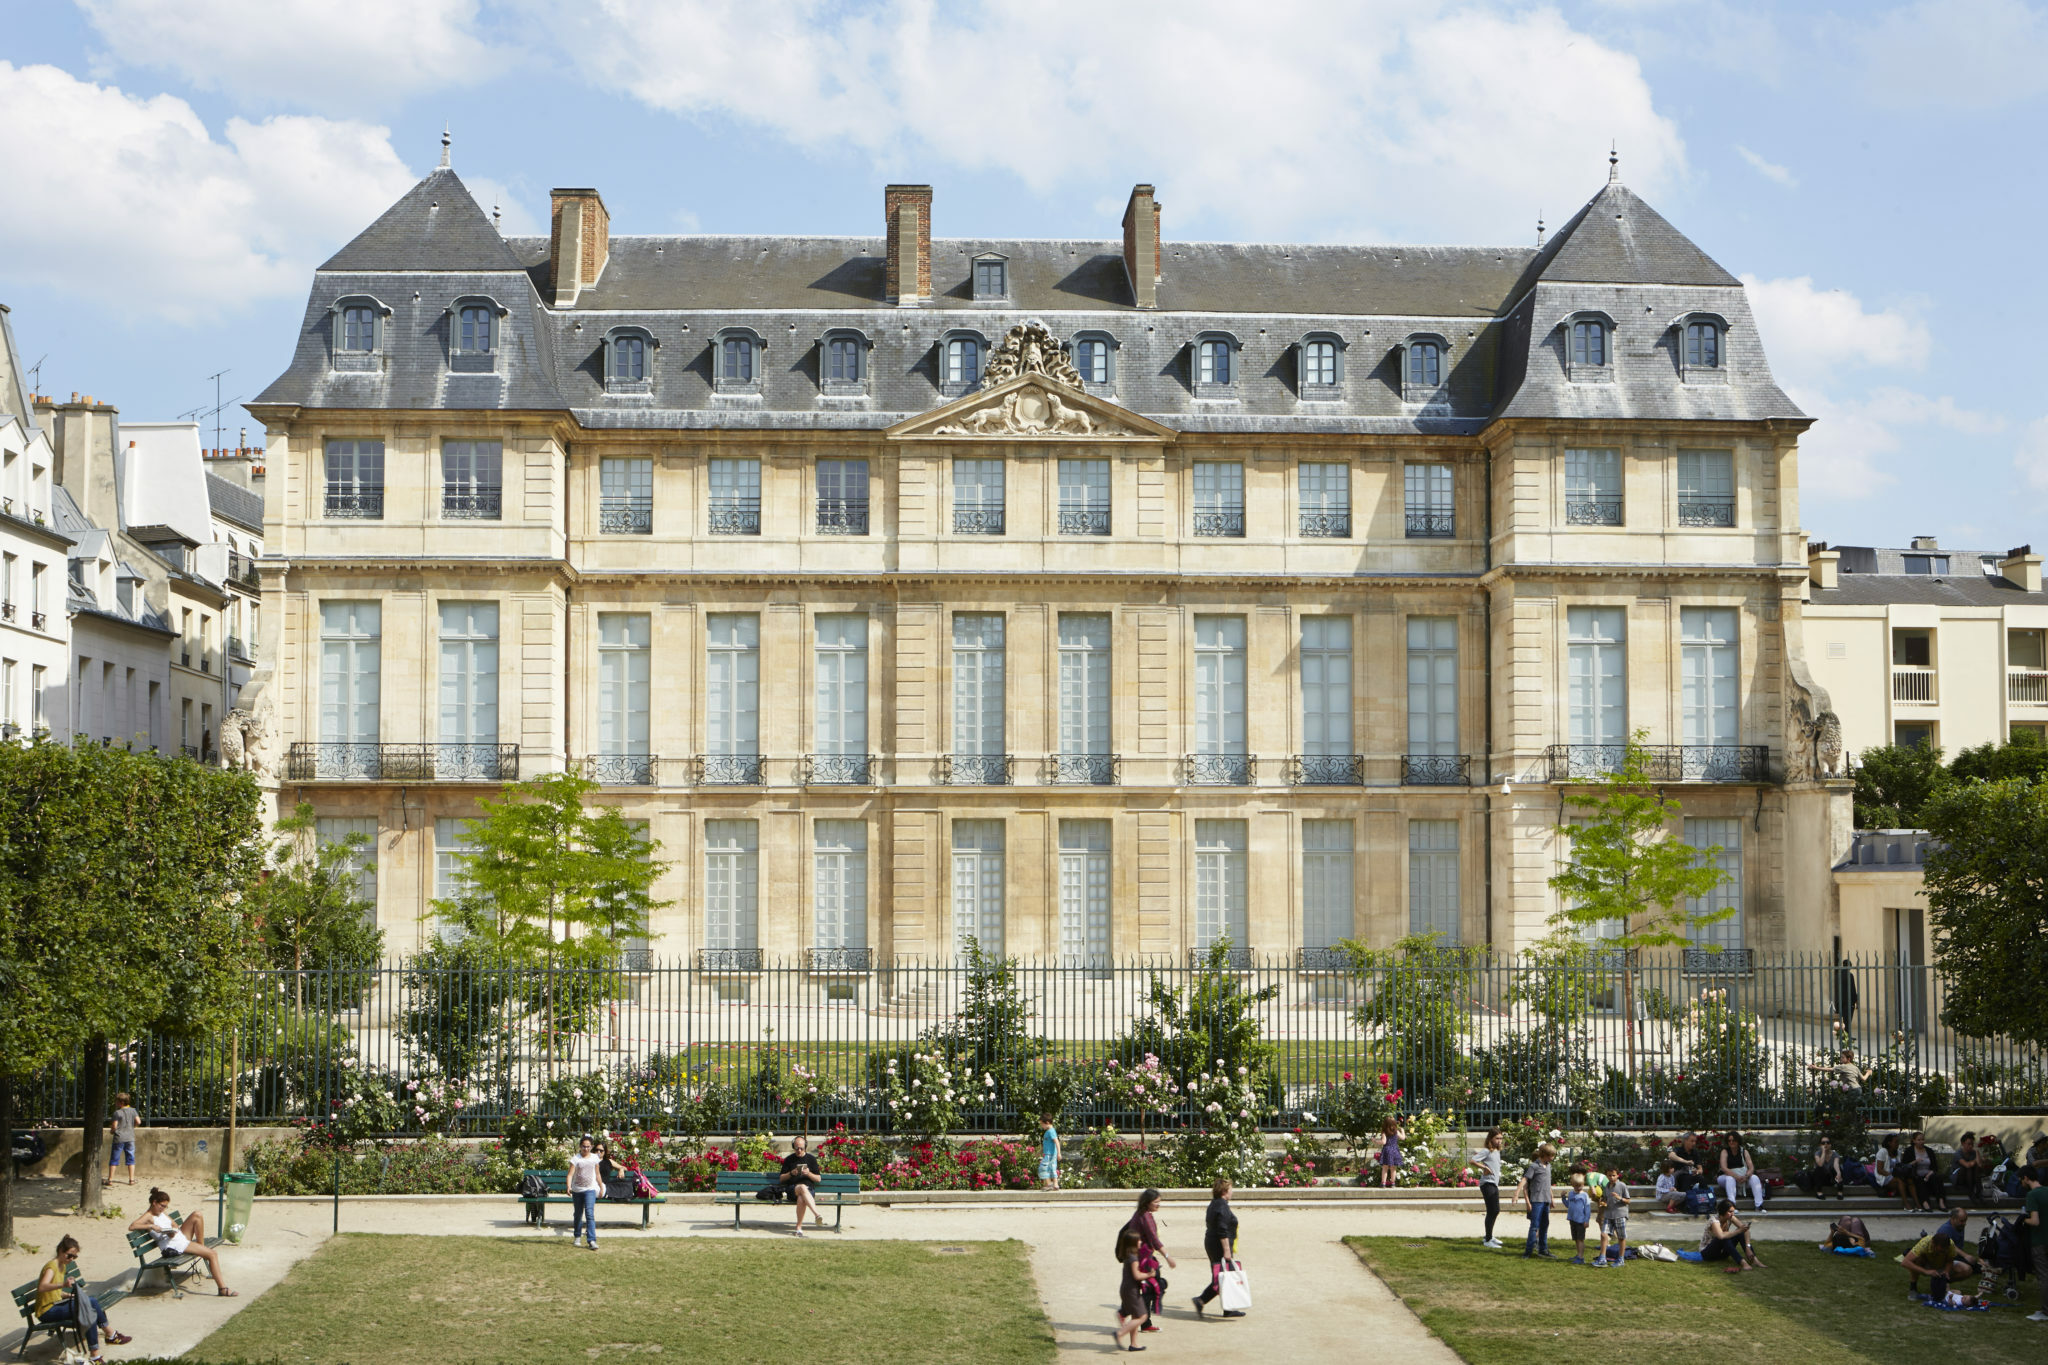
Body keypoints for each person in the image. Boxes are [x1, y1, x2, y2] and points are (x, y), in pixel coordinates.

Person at [35, 1236, 132, 1362]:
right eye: (69, 1255)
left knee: (89, 1303)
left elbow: (55, 1292)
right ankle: (105, 1342)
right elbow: (42, 1287)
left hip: (55, 1304)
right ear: (60, 1251)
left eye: (74, 1257)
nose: (71, 1259)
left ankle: (103, 1344)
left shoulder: (62, 1265)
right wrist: (63, 1285)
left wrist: (69, 1295)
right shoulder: (51, 1267)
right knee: (88, 1308)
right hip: (47, 1311)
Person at [128, 1188, 235, 1294]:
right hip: (172, 1245)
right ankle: (222, 1289)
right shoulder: (148, 1216)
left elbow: (174, 1224)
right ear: (154, 1203)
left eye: (165, 1206)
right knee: (212, 1254)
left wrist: (171, 1231)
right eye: (162, 1206)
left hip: (177, 1237)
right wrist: (151, 1226)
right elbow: (132, 1226)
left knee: (197, 1214)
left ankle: (201, 1248)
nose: (163, 1209)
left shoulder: (162, 1213)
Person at [1122, 1189, 1176, 1333]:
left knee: (1145, 1287)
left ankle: (1138, 1318)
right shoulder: (1145, 1217)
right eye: (1156, 1202)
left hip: (1141, 1255)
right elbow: (1154, 1239)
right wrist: (1168, 1256)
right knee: (1153, 1285)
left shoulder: (1140, 1214)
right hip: (1143, 1257)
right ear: (1148, 1203)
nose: (1159, 1205)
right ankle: (1136, 1318)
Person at [1190, 1177, 1242, 1318]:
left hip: (1212, 1242)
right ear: (1225, 1191)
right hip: (1219, 1244)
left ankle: (1228, 1308)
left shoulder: (1215, 1203)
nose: (1232, 1192)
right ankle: (1201, 1300)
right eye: (1231, 1189)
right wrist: (1226, 1250)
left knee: (1223, 1275)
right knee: (1223, 1276)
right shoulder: (1222, 1206)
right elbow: (1222, 1229)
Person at [1512, 1143, 1557, 1259]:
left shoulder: (1549, 1166)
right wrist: (1516, 1193)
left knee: (1544, 1225)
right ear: (1544, 1155)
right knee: (1534, 1226)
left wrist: (1551, 1198)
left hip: (1546, 1200)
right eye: (1550, 1156)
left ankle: (1543, 1249)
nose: (1552, 1158)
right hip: (1537, 1200)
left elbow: (1548, 1184)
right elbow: (1525, 1179)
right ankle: (1528, 1251)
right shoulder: (1534, 1166)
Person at [1902, 1231, 1973, 1300]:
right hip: (1927, 1264)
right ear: (1933, 1244)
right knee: (1915, 1259)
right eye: (1940, 1251)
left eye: (1944, 1251)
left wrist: (1946, 1271)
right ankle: (1913, 1288)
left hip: (1942, 1264)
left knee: (1967, 1270)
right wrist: (1926, 1271)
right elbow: (1905, 1262)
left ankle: (1941, 1283)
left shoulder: (1950, 1245)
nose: (1942, 1253)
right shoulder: (1924, 1243)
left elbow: (1950, 1260)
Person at [2017, 1164, 2048, 1323]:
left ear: (2026, 1178)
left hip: (2039, 1241)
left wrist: (2023, 1219)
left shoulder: (2032, 1195)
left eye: (2021, 1180)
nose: (2021, 1183)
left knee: (2043, 1276)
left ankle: (2045, 1311)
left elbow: (2035, 1221)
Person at [778, 1134, 825, 1236]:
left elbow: (818, 1179)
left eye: (801, 1148)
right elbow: (781, 1178)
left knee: (801, 1198)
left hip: (808, 1191)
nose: (799, 1150)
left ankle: (798, 1228)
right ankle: (817, 1214)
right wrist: (791, 1173)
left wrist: (809, 1173)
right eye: (796, 1148)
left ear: (805, 1147)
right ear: (793, 1147)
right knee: (802, 1187)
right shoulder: (789, 1159)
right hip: (792, 1189)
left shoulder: (811, 1159)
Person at [1700, 1200, 1764, 1273]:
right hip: (1708, 1253)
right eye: (1730, 1212)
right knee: (1724, 1237)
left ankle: (1754, 1260)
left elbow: (1745, 1230)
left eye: (1733, 1211)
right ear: (1723, 1211)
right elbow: (1721, 1236)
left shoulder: (1731, 1218)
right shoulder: (1714, 1220)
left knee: (1741, 1232)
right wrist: (1739, 1231)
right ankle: (1743, 1263)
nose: (1732, 1214)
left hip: (1721, 1253)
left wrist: (1748, 1246)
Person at [1114, 1226, 1148, 1353]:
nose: (1141, 1242)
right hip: (1131, 1291)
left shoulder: (1128, 1255)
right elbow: (1137, 1276)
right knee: (1142, 1316)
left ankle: (1134, 1344)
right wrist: (1150, 1275)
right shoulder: (1133, 1258)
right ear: (1133, 1243)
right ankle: (1120, 1333)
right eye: (1138, 1241)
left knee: (1135, 1316)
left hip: (1127, 1290)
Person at [566, 1136, 602, 1249]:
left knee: (589, 1214)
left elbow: (597, 1174)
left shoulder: (595, 1158)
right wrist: (568, 1186)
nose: (586, 1149)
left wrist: (601, 1187)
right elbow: (570, 1174)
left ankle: (591, 1240)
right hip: (577, 1190)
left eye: (588, 1147)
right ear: (580, 1146)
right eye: (583, 1146)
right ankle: (577, 1236)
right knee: (578, 1214)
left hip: (590, 1190)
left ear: (591, 1147)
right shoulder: (576, 1159)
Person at [1718, 1132, 1766, 1213]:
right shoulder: (1725, 1151)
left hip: (1742, 1178)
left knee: (1754, 1178)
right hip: (1726, 1178)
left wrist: (1746, 1176)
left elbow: (1751, 1168)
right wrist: (1736, 1176)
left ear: (1738, 1141)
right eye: (1729, 1140)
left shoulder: (1744, 1151)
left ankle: (1759, 1205)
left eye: (1733, 1140)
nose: (1731, 1142)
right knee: (1730, 1179)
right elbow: (1724, 1168)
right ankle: (1731, 1205)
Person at [1595, 1163, 1630, 1267]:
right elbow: (1605, 1199)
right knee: (1603, 1234)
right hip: (1608, 1214)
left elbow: (1628, 1201)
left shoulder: (1622, 1185)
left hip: (1620, 1214)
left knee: (1621, 1237)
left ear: (1618, 1175)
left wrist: (1620, 1198)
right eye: (1609, 1175)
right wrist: (1602, 1202)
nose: (1611, 1177)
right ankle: (1602, 1258)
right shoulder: (1606, 1186)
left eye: (1613, 1175)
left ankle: (1621, 1259)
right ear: (1606, 1176)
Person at [1475, 1128, 1505, 1248]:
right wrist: (1484, 1168)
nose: (1499, 1141)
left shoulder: (1496, 1151)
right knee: (1493, 1210)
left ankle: (1489, 1236)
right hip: (1487, 1184)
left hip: (1493, 1183)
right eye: (1497, 1138)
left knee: (1495, 1210)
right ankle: (1488, 1240)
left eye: (1501, 1138)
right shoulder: (1487, 1151)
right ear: (1490, 1139)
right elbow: (1473, 1160)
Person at [106, 1092, 141, 1187]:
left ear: (121, 1102)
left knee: (114, 1159)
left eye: (117, 1101)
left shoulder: (117, 1113)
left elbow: (114, 1126)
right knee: (131, 1158)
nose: (115, 1102)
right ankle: (131, 1180)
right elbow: (138, 1121)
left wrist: (112, 1131)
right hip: (130, 1138)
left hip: (119, 1138)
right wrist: (132, 1127)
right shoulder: (133, 1111)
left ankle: (110, 1180)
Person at [1904, 1131, 1944, 1211]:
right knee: (1919, 1181)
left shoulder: (1929, 1151)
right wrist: (1915, 1161)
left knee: (1937, 1178)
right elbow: (1905, 1165)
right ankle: (1925, 1202)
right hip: (1916, 1175)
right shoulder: (1909, 1151)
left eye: (1922, 1140)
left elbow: (1934, 1167)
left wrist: (1929, 1174)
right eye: (1919, 1140)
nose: (1921, 1142)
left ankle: (1941, 1201)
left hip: (1928, 1174)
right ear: (1914, 1141)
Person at [1563, 1174, 1593, 1264]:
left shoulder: (1584, 1195)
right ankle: (1578, 1254)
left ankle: (1581, 1257)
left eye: (1580, 1185)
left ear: (1583, 1184)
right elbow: (1568, 1205)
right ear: (1572, 1185)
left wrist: (1586, 1220)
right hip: (1572, 1219)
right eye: (1576, 1186)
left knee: (1580, 1239)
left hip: (1581, 1221)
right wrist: (1563, 1198)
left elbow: (1587, 1209)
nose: (1579, 1187)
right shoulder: (1571, 1193)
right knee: (1576, 1238)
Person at [1950, 1132, 1985, 1205]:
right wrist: (1976, 1160)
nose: (1971, 1146)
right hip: (1958, 1177)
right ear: (1963, 1144)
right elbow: (1967, 1165)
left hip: (1970, 1176)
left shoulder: (1973, 1152)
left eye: (1972, 1144)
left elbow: (1980, 1165)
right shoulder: (1958, 1153)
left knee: (1975, 1167)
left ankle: (1979, 1191)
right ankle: (1971, 1192)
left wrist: (1977, 1152)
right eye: (1968, 1144)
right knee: (1968, 1167)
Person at [1377, 1116, 1404, 1188]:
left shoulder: (1384, 1132)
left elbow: (1383, 1142)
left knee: (1385, 1167)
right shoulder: (1396, 1132)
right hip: (1395, 1150)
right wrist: (1403, 1131)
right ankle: (1393, 1183)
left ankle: (1383, 1183)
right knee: (1393, 1168)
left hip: (1387, 1150)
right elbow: (1403, 1138)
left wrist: (1375, 1141)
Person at [1835, 958, 1860, 1030]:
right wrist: (1856, 1000)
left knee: (1842, 1019)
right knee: (1848, 1020)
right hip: (1848, 1002)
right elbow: (1852, 989)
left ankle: (1842, 1034)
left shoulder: (1838, 975)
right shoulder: (1850, 975)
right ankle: (1846, 1035)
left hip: (1840, 1001)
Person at [1038, 1116, 1062, 1192]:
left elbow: (1057, 1142)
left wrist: (1059, 1153)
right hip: (1049, 1154)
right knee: (1052, 1168)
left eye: (1042, 1124)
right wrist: (1040, 1152)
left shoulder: (1051, 1131)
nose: (1041, 1126)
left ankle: (1049, 1184)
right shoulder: (1049, 1131)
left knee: (1043, 1168)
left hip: (1050, 1154)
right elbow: (1046, 1144)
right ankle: (1055, 1184)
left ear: (1047, 1123)